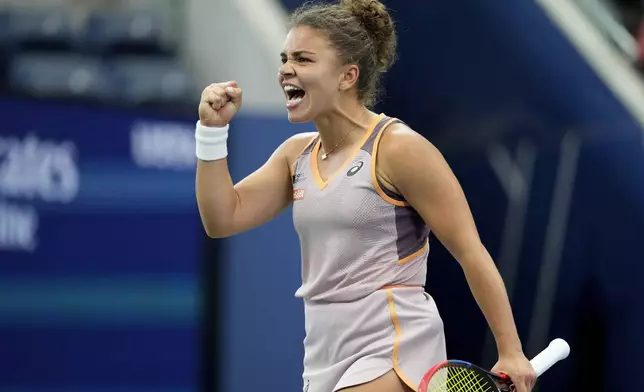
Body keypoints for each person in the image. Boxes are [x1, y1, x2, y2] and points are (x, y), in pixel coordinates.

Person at [194, 0, 537, 391]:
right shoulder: (295, 156)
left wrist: (510, 350)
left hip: (391, 342)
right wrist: (211, 132)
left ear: (347, 76)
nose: (286, 69)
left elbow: (470, 252)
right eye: (285, 58)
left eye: (304, 59)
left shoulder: (400, 149)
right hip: (323, 349)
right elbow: (221, 218)